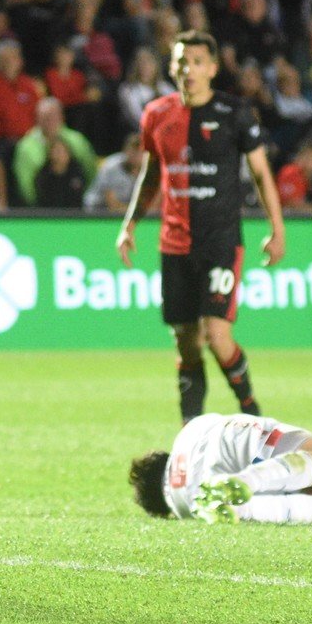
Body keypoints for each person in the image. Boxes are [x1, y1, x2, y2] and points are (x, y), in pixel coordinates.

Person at [118, 31, 286, 422]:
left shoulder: (234, 113)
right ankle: (189, 429)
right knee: (186, 341)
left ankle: (251, 411)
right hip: (175, 243)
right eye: (182, 61)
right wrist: (130, 224)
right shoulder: (156, 114)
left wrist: (277, 229)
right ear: (172, 67)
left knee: (216, 334)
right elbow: (151, 173)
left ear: (212, 68)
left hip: (220, 241)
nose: (188, 69)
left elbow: (261, 173)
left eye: (197, 62)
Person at [129, 413, 312, 525]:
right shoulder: (185, 436)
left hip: (202, 487)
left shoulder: (181, 506)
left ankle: (245, 507)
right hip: (231, 439)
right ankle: (249, 480)